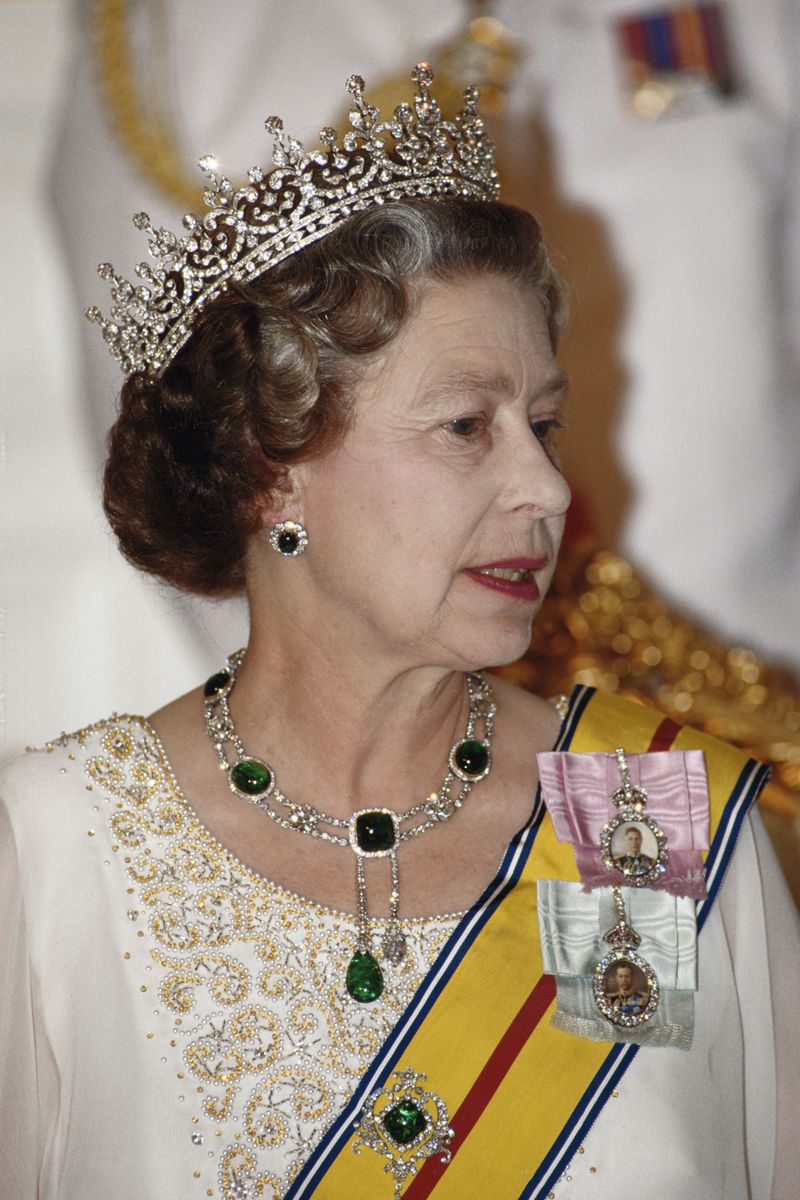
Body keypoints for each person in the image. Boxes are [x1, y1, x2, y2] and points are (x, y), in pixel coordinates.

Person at [1, 63, 797, 1200]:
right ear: (275, 475)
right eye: (466, 425)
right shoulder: (57, 849)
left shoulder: (639, 818)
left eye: (542, 424)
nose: (545, 489)